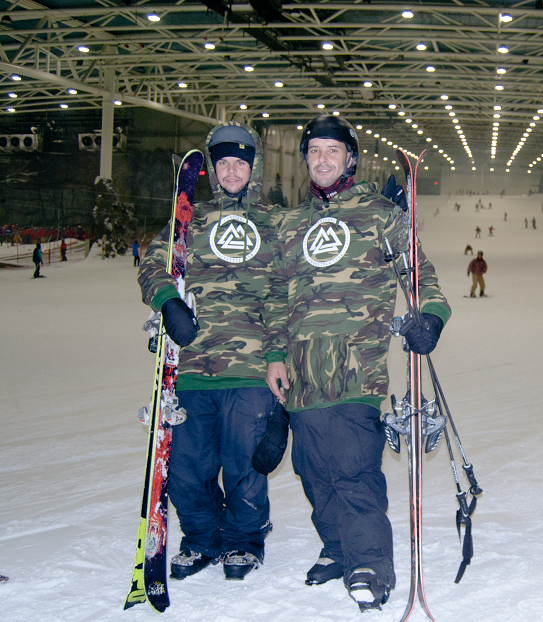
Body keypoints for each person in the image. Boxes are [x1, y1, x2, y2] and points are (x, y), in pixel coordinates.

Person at [261, 114, 450, 612]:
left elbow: (418, 272)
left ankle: (369, 564)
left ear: (350, 158)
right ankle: (339, 547)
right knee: (311, 471)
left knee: (353, 470)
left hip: (354, 369)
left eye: (332, 150)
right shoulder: (291, 223)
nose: (322, 159)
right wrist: (276, 355)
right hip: (301, 376)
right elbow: (279, 296)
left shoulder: (380, 214)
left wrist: (430, 315)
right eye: (314, 151)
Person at [137, 122, 281, 582]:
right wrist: (169, 302)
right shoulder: (189, 221)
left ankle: (243, 540)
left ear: (253, 169)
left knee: (244, 465)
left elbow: (297, 288)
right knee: (186, 468)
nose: (232, 171)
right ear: (212, 171)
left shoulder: (275, 224)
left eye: (241, 162)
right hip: (192, 367)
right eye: (223, 163)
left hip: (251, 369)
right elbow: (151, 263)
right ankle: (201, 537)